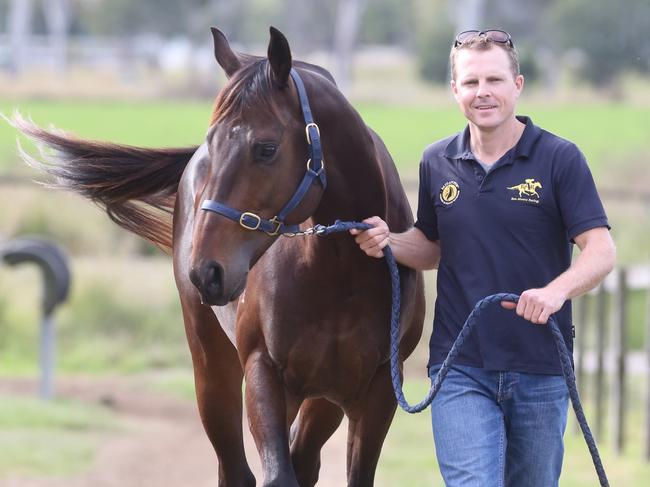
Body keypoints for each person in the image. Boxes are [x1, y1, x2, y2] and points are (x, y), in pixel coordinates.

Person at [350, 29, 616, 487]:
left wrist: (555, 292)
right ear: (455, 90)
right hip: (459, 367)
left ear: (518, 85)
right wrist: (389, 241)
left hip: (541, 369)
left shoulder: (559, 159)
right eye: (471, 83)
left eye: (494, 80)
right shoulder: (436, 162)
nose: (483, 93)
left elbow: (601, 250)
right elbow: (432, 247)